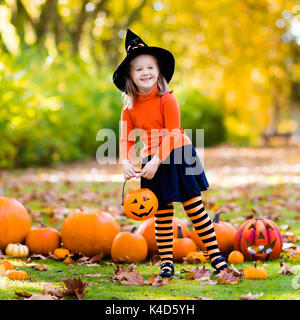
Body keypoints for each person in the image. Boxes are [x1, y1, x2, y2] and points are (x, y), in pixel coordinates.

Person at [113, 29, 229, 277]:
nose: (145, 72)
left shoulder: (167, 99)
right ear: (130, 77)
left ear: (158, 71)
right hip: (152, 160)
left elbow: (173, 131)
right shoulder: (129, 108)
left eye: (150, 67)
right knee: (162, 213)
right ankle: (167, 262)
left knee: (194, 208)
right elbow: (125, 138)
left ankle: (216, 257)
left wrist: (157, 159)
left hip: (178, 155)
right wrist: (125, 161)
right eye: (138, 69)